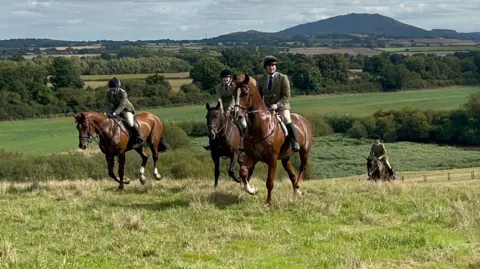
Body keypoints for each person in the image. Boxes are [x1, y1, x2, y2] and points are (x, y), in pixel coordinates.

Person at [257, 55, 299, 152]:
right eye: (269, 66)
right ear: (265, 67)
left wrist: (277, 105)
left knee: (287, 118)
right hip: (267, 107)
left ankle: (294, 141)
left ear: (275, 67)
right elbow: (259, 96)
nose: (271, 67)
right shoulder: (261, 79)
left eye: (273, 65)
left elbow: (287, 95)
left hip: (282, 106)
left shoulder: (283, 78)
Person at [104, 77, 144, 148]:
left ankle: (138, 137)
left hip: (126, 109)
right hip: (115, 109)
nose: (114, 90)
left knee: (130, 122)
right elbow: (107, 104)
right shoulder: (108, 93)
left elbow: (122, 106)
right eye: (112, 89)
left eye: (115, 88)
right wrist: (106, 112)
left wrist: (114, 114)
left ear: (118, 87)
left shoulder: (123, 93)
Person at [203, 69, 236, 151]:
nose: (226, 79)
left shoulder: (235, 86)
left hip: (234, 106)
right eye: (224, 77)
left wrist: (229, 109)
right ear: (222, 78)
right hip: (221, 107)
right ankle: (211, 144)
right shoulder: (218, 87)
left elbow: (234, 98)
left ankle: (244, 140)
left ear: (230, 78)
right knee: (213, 122)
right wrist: (221, 108)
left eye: (227, 77)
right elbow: (219, 98)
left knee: (241, 121)